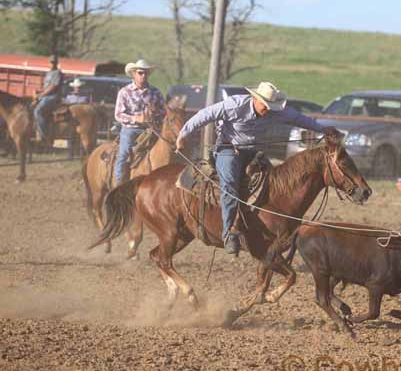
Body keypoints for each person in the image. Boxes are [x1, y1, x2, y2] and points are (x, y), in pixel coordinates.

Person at [175, 81, 339, 255]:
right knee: (230, 184)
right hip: (229, 150)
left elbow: (299, 119)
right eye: (265, 105)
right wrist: (183, 134)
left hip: (253, 153)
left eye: (270, 106)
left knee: (274, 182)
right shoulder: (235, 105)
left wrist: (322, 129)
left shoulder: (276, 112)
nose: (267, 109)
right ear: (255, 98)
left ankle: (266, 225)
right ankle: (229, 232)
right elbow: (205, 115)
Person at [114, 59, 166, 186]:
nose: (143, 76)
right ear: (133, 74)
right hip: (130, 129)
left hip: (151, 129)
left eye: (146, 73)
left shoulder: (156, 92)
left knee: (165, 150)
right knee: (124, 154)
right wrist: (135, 119)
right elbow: (118, 114)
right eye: (140, 73)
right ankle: (118, 183)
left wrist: (155, 112)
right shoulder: (125, 92)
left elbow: (164, 112)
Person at [33, 55, 63, 143]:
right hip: (45, 96)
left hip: (53, 96)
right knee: (29, 108)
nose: (52, 64)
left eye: (54, 62)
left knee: (38, 111)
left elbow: (52, 87)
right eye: (51, 62)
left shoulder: (58, 73)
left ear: (56, 63)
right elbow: (46, 87)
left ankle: (43, 136)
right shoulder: (48, 73)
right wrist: (38, 91)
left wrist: (40, 95)